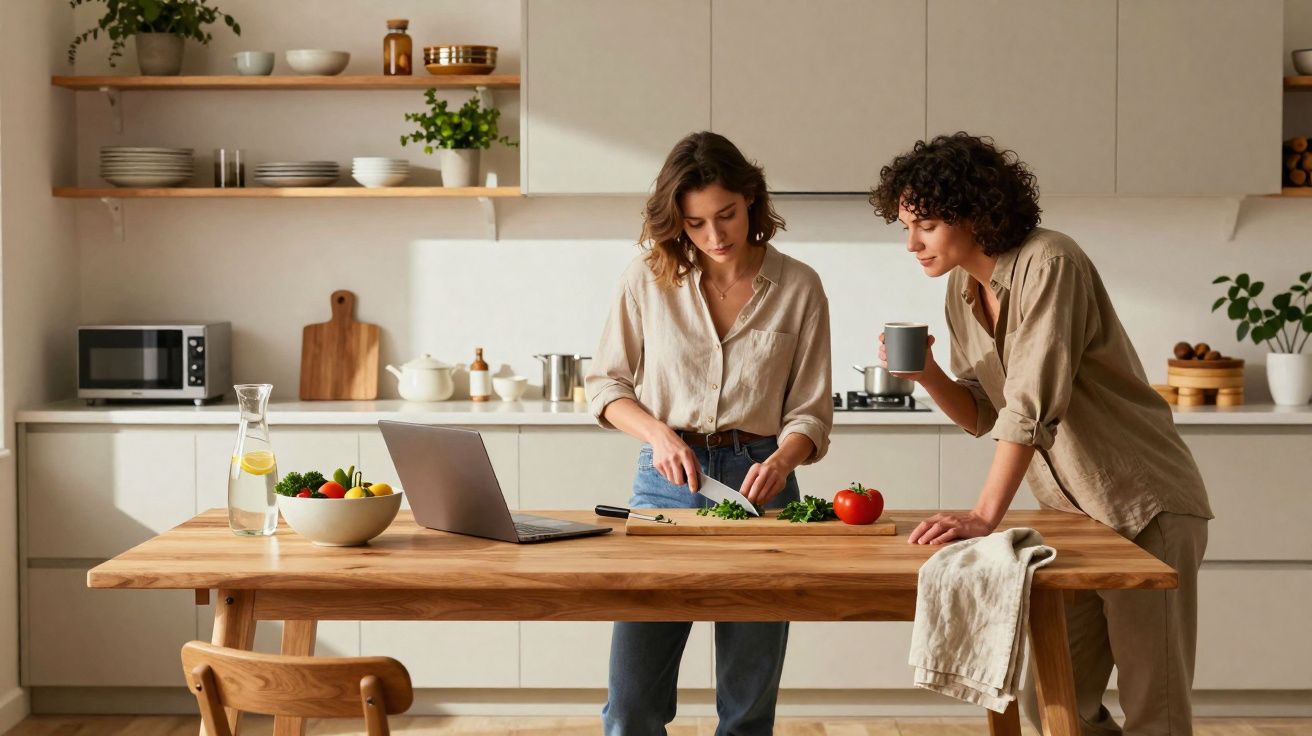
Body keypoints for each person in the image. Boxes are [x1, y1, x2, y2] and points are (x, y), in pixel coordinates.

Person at [870, 132, 1213, 735]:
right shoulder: (961, 290)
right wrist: (927, 374)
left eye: (925, 225)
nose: (911, 243)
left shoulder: (1052, 263)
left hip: (1143, 507)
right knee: (1055, 702)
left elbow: (1030, 406)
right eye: (906, 227)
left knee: (1153, 707)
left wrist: (983, 515)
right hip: (1076, 519)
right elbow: (985, 412)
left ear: (973, 213)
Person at [585, 130, 833, 735]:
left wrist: (783, 460)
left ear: (751, 200)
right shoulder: (646, 280)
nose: (715, 236)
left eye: (726, 215)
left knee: (748, 709)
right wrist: (658, 435)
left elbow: (810, 413)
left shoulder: (799, 287)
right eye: (695, 223)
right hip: (666, 483)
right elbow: (606, 386)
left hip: (763, 485)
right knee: (631, 703)